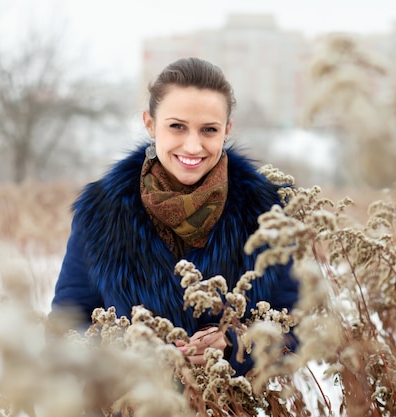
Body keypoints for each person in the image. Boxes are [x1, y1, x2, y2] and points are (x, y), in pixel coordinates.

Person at [50, 57, 298, 376]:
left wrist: (237, 345)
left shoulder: (269, 213)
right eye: (177, 126)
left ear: (227, 130)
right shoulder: (101, 212)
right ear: (150, 124)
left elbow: (299, 327)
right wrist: (130, 350)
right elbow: (66, 329)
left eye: (209, 130)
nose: (193, 146)